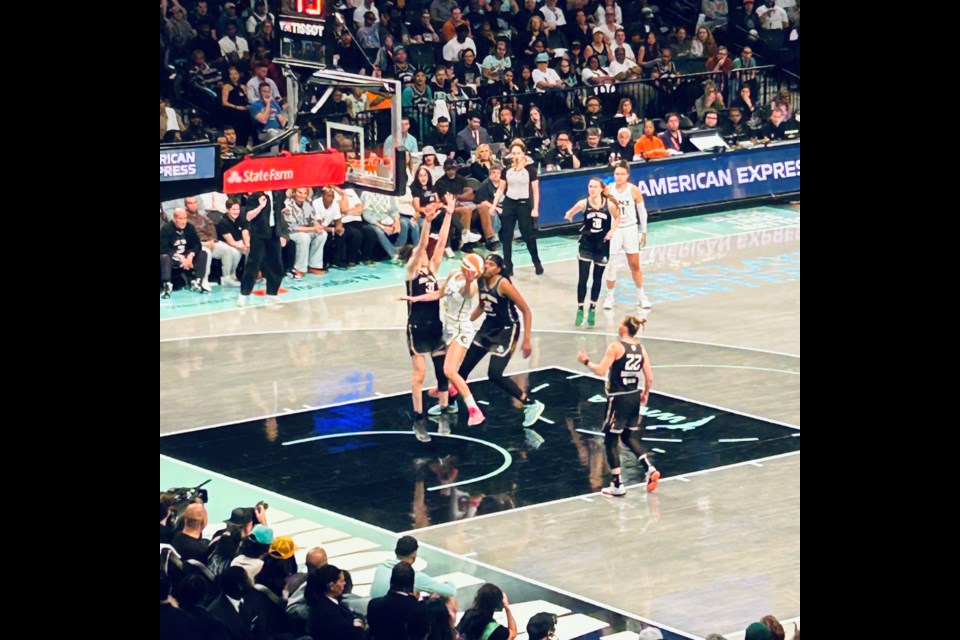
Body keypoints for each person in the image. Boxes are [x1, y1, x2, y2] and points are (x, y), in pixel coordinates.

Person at [456, 254, 545, 427]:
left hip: (506, 330)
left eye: (490, 265)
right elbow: (482, 306)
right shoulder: (481, 280)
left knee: (494, 374)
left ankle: (531, 403)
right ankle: (449, 402)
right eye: (486, 264)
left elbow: (526, 311)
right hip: (488, 327)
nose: (486, 267)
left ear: (499, 269)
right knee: (462, 370)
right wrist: (464, 322)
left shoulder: (503, 284)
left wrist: (526, 340)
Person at [576, 315, 660, 496]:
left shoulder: (616, 347)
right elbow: (650, 376)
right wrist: (646, 393)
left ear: (624, 329)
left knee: (610, 439)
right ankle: (649, 468)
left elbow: (600, 370)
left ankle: (617, 484)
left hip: (618, 398)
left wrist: (585, 360)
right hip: (634, 396)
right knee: (629, 437)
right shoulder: (640, 348)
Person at [401, 251, 486, 426]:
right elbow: (438, 294)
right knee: (447, 370)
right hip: (448, 328)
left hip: (461, 330)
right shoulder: (454, 273)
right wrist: (414, 298)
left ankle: (474, 409)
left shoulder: (472, 285)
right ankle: (452, 393)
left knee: (449, 371)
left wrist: (470, 280)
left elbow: (468, 292)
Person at [399, 196, 456, 442]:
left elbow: (440, 243)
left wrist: (449, 214)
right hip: (417, 328)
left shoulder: (432, 269)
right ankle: (418, 419)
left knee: (442, 372)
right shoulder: (411, 271)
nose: (422, 253)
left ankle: (443, 413)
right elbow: (423, 245)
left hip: (435, 325)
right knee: (419, 375)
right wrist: (427, 222)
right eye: (418, 253)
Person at [564, 177, 621, 327]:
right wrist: (569, 214)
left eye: (595, 187)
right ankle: (580, 308)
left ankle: (593, 308)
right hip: (586, 244)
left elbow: (617, 217)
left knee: (597, 278)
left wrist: (611, 232)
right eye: (590, 186)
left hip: (602, 245)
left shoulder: (608, 204)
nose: (592, 189)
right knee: (583, 278)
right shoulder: (584, 203)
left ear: (601, 189)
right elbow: (571, 211)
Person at [602, 161, 652, 310]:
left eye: (622, 174)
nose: (619, 177)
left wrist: (643, 231)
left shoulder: (634, 190)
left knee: (634, 265)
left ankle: (641, 296)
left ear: (627, 175)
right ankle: (609, 296)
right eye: (616, 174)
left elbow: (642, 212)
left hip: (630, 228)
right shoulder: (608, 190)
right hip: (615, 229)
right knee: (611, 264)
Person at [490, 140, 543, 276]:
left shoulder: (530, 170)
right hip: (509, 203)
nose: (516, 156)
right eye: (513, 153)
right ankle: (508, 265)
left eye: (518, 153)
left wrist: (535, 208)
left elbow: (535, 190)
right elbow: (501, 189)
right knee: (506, 236)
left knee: (528, 235)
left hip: (524, 204)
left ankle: (536, 261)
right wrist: (494, 205)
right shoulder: (506, 171)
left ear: (523, 154)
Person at [237, 191, 285, 307]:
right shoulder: (255, 196)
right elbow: (248, 216)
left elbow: (279, 211)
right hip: (258, 235)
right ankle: (244, 294)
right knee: (253, 264)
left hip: (273, 234)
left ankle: (272, 293)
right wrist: (260, 207)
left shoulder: (277, 194)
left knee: (276, 264)